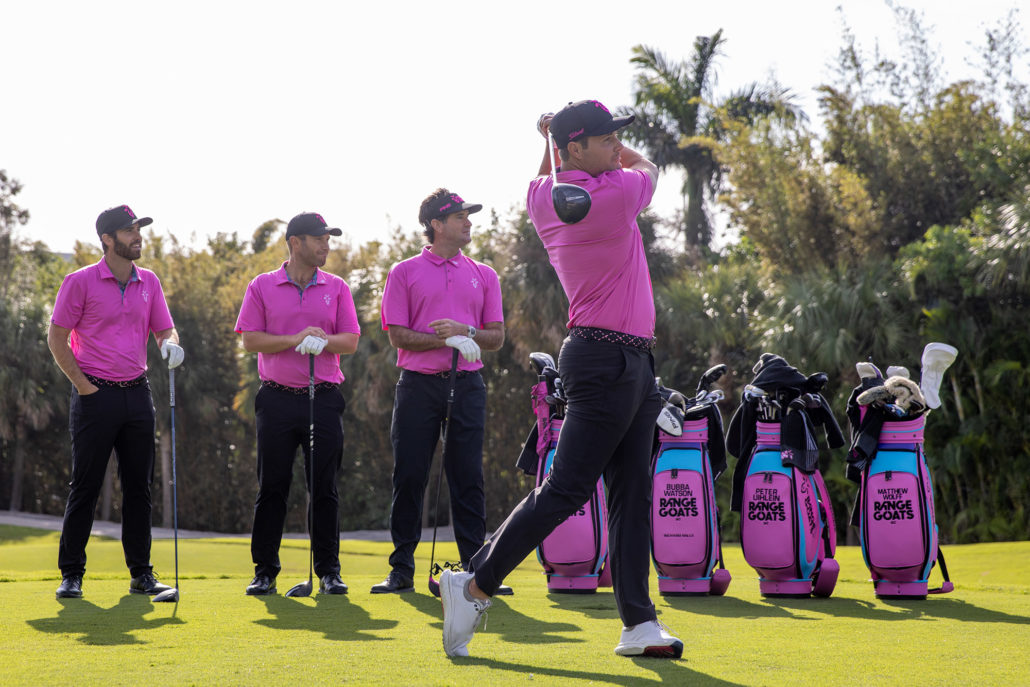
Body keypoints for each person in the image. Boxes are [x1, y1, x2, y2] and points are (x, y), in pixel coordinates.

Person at [439, 100, 683, 658]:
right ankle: (474, 585)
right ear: (576, 147)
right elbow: (650, 169)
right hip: (604, 359)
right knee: (567, 489)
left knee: (631, 492)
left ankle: (638, 625)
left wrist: (553, 141)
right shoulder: (617, 193)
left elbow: (548, 177)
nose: (616, 148)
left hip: (633, 362)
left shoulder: (539, 199)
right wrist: (595, 149)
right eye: (605, 140)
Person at [371, 189, 507, 595]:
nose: (468, 222)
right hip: (418, 386)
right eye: (459, 216)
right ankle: (401, 572)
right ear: (436, 224)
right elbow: (397, 335)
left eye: (468, 215)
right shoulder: (405, 271)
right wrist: (443, 342)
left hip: (467, 384)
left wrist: (466, 333)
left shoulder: (484, 274)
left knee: (467, 476)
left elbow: (496, 337)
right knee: (410, 475)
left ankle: (476, 573)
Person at [48, 204, 185, 599]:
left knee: (140, 488)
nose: (137, 236)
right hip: (95, 394)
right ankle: (71, 574)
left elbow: (164, 328)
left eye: (138, 229)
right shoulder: (80, 281)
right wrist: (84, 387)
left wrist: (171, 345)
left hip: (137, 393)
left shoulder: (150, 282)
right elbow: (57, 338)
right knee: (86, 487)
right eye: (128, 231)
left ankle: (142, 574)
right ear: (107, 239)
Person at [235, 212, 360, 596]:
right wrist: (295, 339)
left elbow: (350, 340)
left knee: (323, 487)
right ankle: (265, 573)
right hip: (276, 399)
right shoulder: (262, 285)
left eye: (328, 239)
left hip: (322, 398)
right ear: (295, 242)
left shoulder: (336, 287)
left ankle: (328, 572)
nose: (326, 246)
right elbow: (250, 340)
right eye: (319, 239)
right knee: (272, 486)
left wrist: (322, 340)